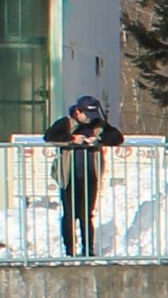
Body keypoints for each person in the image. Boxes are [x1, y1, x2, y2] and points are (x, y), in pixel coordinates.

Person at [49, 93, 123, 256]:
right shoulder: (66, 123)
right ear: (77, 112)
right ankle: (69, 250)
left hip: (90, 177)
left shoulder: (98, 124)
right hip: (69, 177)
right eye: (86, 116)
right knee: (69, 215)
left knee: (86, 215)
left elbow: (117, 137)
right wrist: (72, 139)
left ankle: (88, 249)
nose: (89, 120)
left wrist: (99, 139)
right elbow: (49, 136)